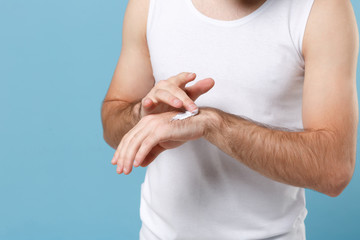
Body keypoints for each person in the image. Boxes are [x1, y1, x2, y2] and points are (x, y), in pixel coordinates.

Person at [101, 0, 359, 239]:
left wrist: (214, 124)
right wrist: (142, 114)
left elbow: (333, 170)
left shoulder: (321, 9)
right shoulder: (150, 4)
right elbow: (112, 123)